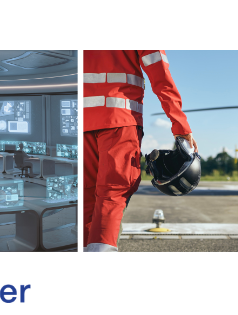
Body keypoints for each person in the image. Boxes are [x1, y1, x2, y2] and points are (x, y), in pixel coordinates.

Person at [84, 50, 198, 252]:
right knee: (112, 194)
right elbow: (160, 76)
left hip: (81, 122)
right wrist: (180, 126)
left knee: (86, 197)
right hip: (119, 120)